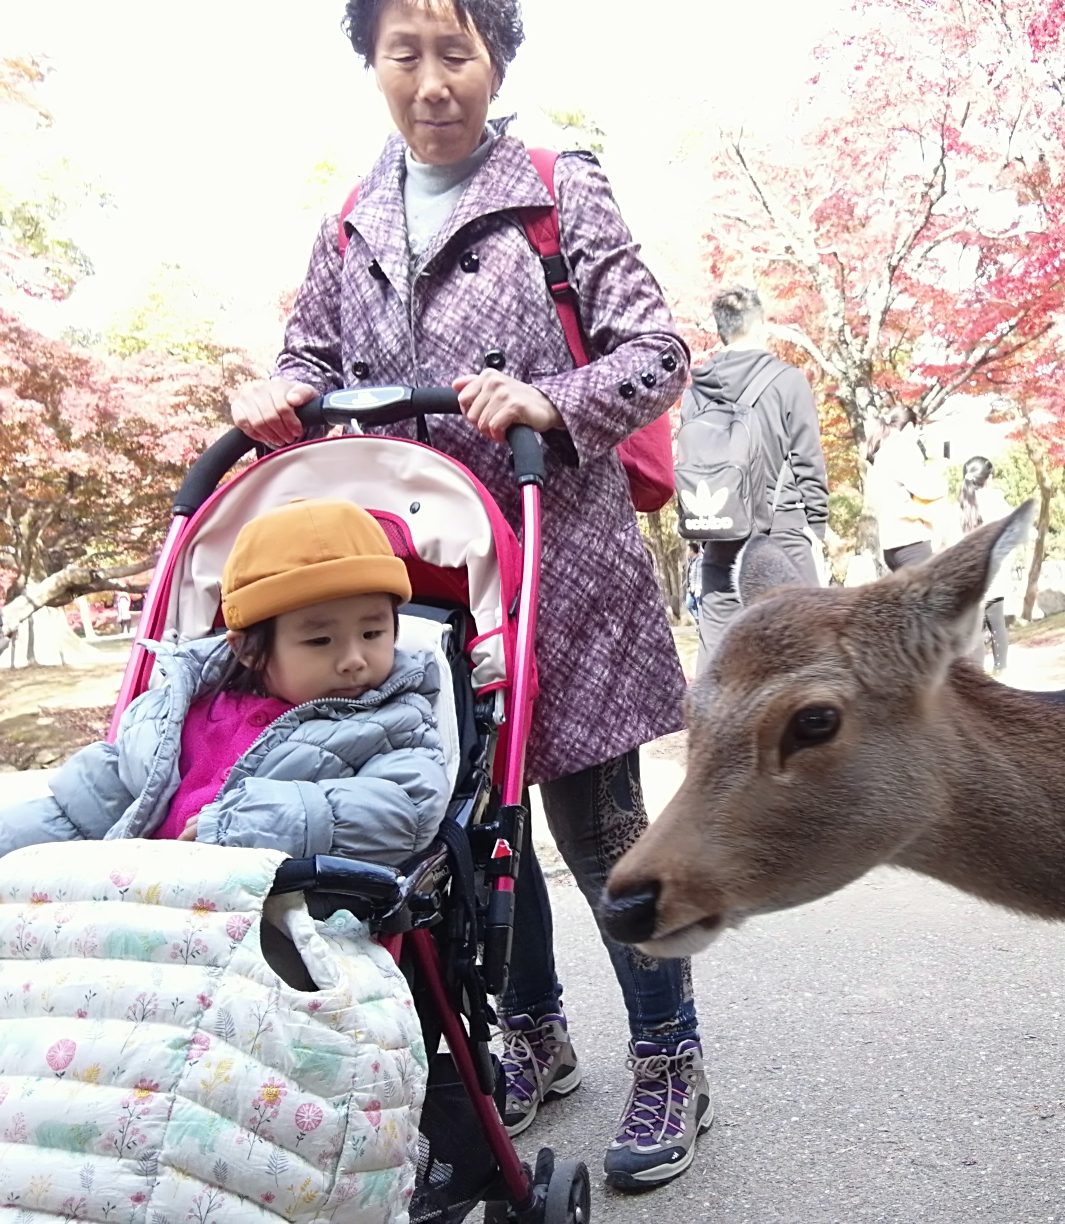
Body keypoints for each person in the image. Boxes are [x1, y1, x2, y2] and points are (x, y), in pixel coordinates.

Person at [226, 0, 709, 1190]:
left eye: (458, 53)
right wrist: (273, 393)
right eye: (406, 54)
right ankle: (532, 1037)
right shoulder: (350, 217)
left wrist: (555, 399)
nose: (434, 81)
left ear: (497, 61)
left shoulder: (555, 185)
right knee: (466, 828)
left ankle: (669, 1057)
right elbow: (313, 357)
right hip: (423, 579)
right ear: (371, 63)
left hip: (563, 567)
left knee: (599, 836)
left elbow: (655, 350)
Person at [0, 499, 449, 864]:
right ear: (250, 650)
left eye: (373, 633)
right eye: (320, 640)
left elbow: (405, 808)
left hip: (264, 925)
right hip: (137, 908)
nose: (353, 659)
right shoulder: (188, 711)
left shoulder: (393, 722)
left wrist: (246, 826)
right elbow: (94, 804)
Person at [689, 286, 829, 669]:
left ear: (720, 331)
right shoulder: (788, 381)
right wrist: (816, 524)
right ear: (761, 325)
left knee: (718, 666)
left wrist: (699, 534)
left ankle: (715, 729)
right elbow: (807, 458)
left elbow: (691, 460)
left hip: (719, 530)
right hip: (780, 530)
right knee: (811, 658)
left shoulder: (697, 390)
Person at [957, 456, 1015, 673]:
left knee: (974, 630)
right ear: (988, 478)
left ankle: (977, 675)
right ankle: (1001, 669)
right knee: (997, 623)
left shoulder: (961, 503)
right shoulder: (996, 501)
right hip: (995, 572)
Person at [869, 407, 945, 570]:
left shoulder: (881, 454)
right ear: (910, 427)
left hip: (892, 546)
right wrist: (941, 478)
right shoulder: (898, 450)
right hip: (912, 544)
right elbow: (929, 489)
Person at [684, 541, 703, 626]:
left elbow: (699, 575)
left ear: (692, 551)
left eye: (688, 550)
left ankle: (702, 624)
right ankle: (698, 620)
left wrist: (698, 588)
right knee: (689, 604)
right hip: (691, 588)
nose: (686, 552)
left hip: (697, 588)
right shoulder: (691, 561)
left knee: (700, 607)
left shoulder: (700, 560)